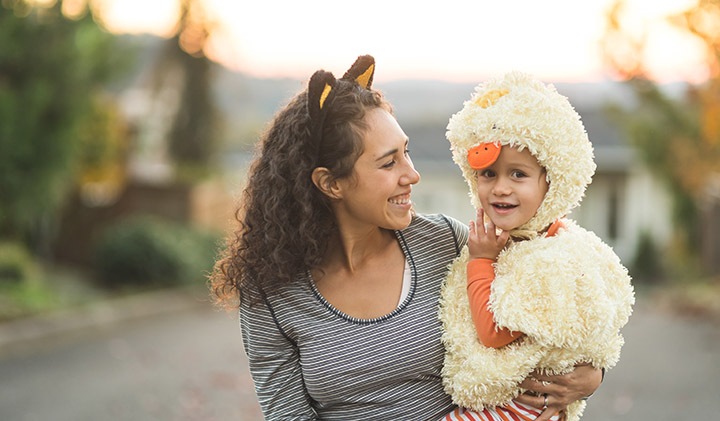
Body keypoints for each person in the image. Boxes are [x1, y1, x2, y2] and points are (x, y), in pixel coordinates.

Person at [210, 56, 603, 420]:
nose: (411, 174)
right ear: (330, 183)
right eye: (389, 162)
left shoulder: (447, 243)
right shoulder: (270, 290)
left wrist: (592, 373)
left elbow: (555, 304)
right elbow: (287, 414)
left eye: (406, 152)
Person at [439, 72, 635, 421]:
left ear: (552, 183)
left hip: (523, 404)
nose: (500, 188)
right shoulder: (522, 242)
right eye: (488, 174)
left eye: (518, 174)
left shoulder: (548, 259)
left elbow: (494, 332)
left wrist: (481, 261)